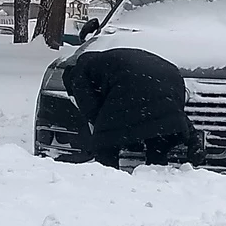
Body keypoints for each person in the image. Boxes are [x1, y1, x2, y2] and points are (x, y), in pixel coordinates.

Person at [63, 48, 206, 168]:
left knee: (105, 142)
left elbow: (91, 110)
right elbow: (173, 111)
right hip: (170, 75)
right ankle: (160, 167)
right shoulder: (108, 61)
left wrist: (113, 135)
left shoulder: (78, 73)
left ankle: (106, 174)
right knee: (164, 123)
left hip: (134, 83)